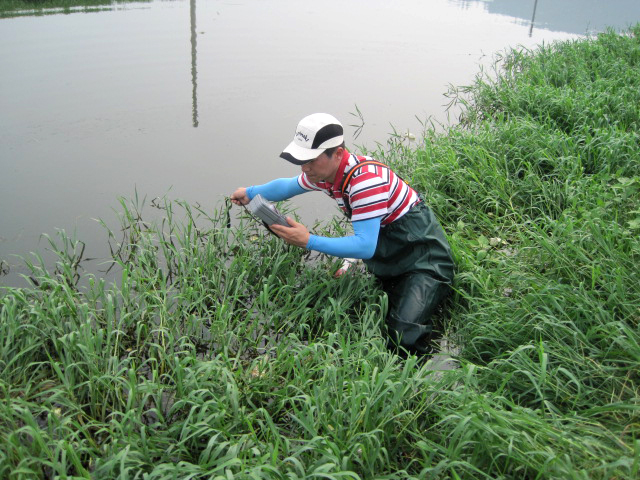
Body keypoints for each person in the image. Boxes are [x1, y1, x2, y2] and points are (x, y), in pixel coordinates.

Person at [231, 113, 454, 357]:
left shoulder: (365, 182)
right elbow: (287, 186)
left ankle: (418, 379)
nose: (304, 168)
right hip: (391, 253)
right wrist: (250, 192)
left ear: (336, 153)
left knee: (402, 334)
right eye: (301, 160)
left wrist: (308, 241)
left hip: (425, 259)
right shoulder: (326, 174)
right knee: (370, 308)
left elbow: (365, 246)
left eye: (311, 160)